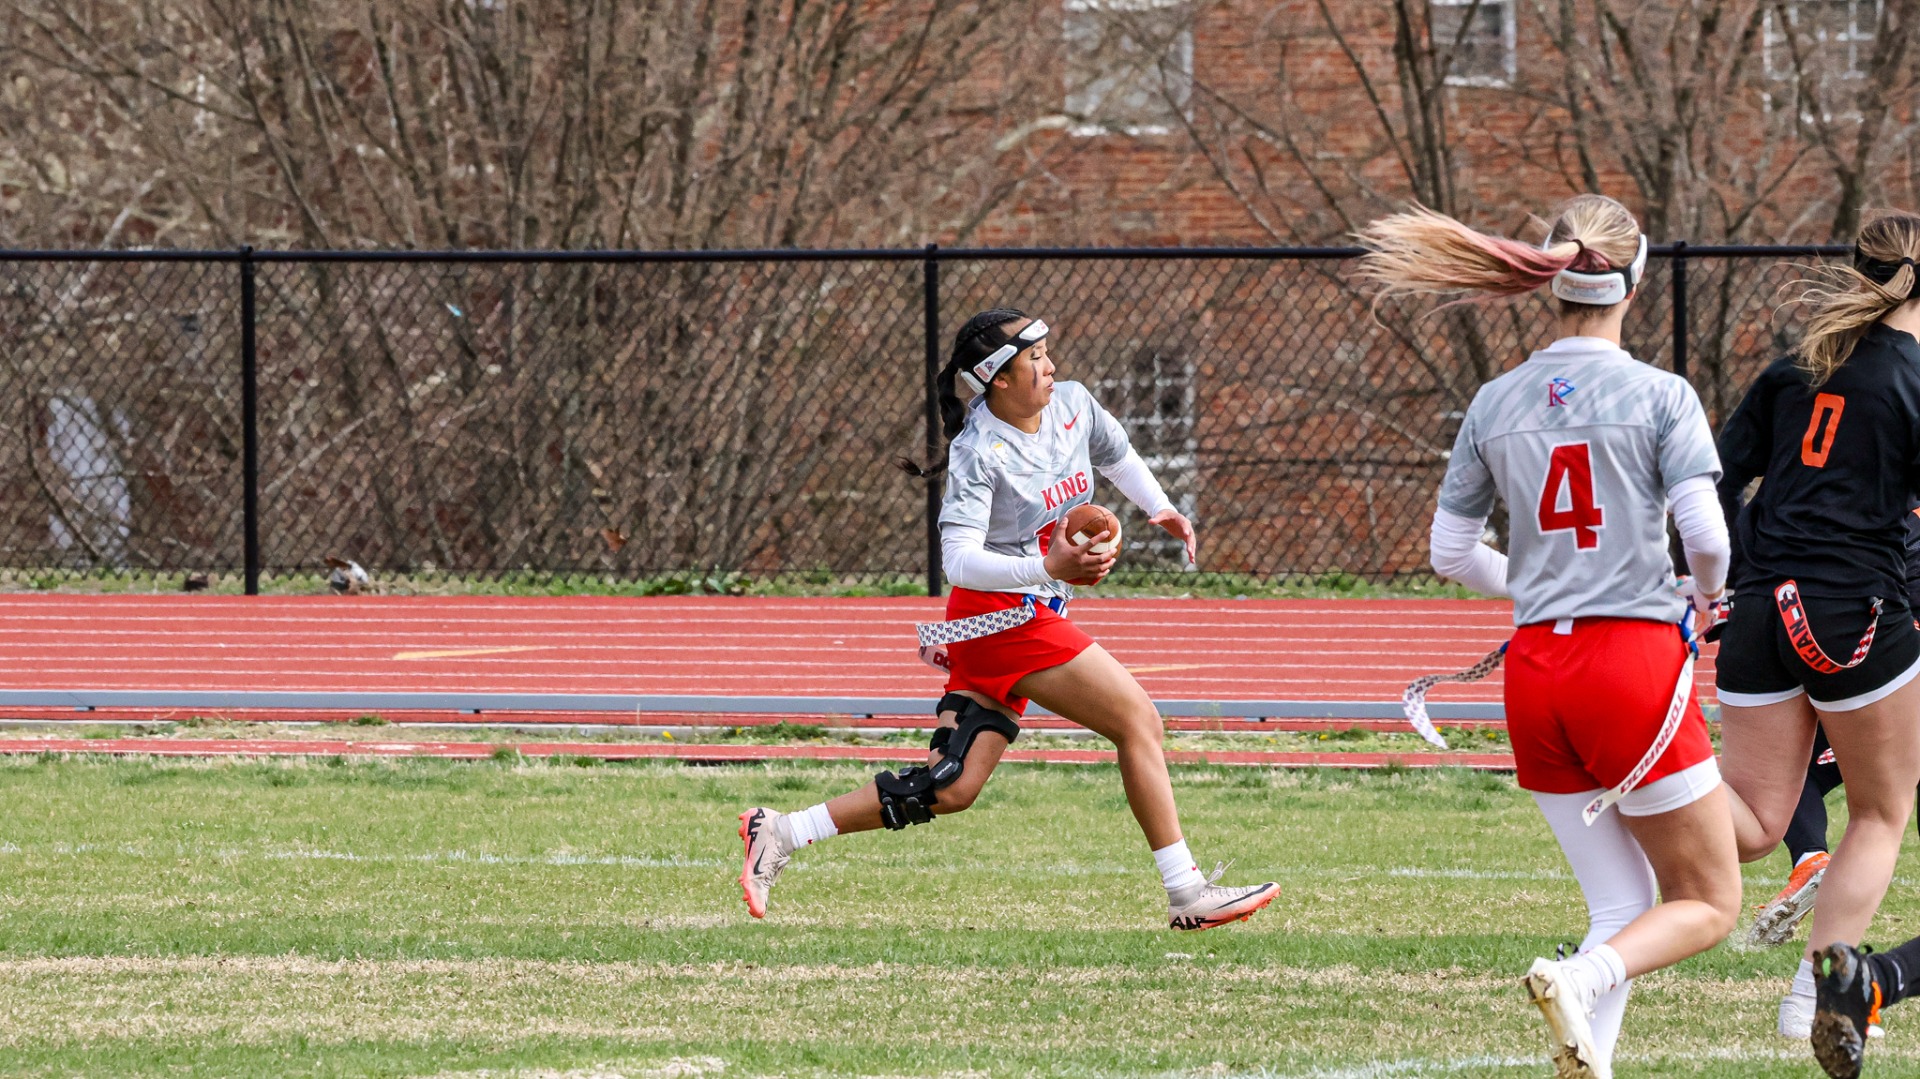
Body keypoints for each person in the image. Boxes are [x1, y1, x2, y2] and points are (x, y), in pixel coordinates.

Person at [1358, 195, 1742, 1079]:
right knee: (1709, 900)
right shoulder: (1660, 394)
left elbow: (1449, 553)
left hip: (1535, 670)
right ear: (1633, 283)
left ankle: (1588, 1056)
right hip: (1630, 661)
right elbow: (1710, 538)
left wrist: (1534, 586)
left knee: (1620, 899)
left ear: (1551, 278)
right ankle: (1578, 973)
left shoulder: (1496, 399)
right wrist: (1709, 600)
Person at [735, 308, 1278, 931]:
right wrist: (1048, 566)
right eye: (1034, 359)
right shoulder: (979, 452)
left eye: (1048, 353)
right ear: (996, 379)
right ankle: (1187, 892)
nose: (1050, 367)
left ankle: (780, 831)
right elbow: (960, 562)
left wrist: (1160, 509)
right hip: (1001, 617)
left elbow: (1117, 454)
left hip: (1009, 619)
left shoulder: (1073, 404)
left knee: (953, 787)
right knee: (1138, 721)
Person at [1708, 212, 1920, 1079]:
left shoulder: (1797, 364)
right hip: (1851, 609)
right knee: (1880, 808)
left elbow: (1717, 476)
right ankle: (1814, 994)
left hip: (1759, 607)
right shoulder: (1912, 378)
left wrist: (1734, 571)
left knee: (1755, 818)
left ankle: (1642, 784)